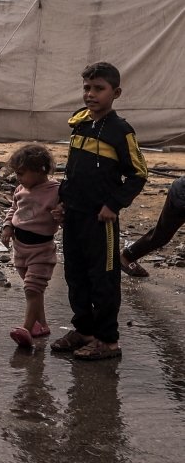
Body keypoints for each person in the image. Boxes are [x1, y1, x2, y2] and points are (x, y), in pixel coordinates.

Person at [52, 62, 147, 362]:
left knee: (103, 278)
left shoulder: (121, 131)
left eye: (98, 89)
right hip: (74, 216)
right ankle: (85, 331)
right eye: (86, 88)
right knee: (75, 275)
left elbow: (139, 174)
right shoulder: (80, 124)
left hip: (100, 220)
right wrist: (63, 202)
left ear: (115, 93)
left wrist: (114, 205)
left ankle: (108, 341)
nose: (90, 94)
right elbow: (73, 171)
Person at [0, 143, 61, 348]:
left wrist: (61, 215)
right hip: (21, 248)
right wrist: (8, 227)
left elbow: (65, 216)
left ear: (40, 170)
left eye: (22, 173)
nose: (18, 178)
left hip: (41, 250)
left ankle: (25, 328)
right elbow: (13, 209)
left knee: (32, 290)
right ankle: (40, 324)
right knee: (34, 289)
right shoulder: (20, 189)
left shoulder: (56, 191)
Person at [122, 176, 185, 277]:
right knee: (162, 235)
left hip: (179, 190)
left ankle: (127, 256)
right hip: (181, 194)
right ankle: (127, 257)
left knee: (162, 235)